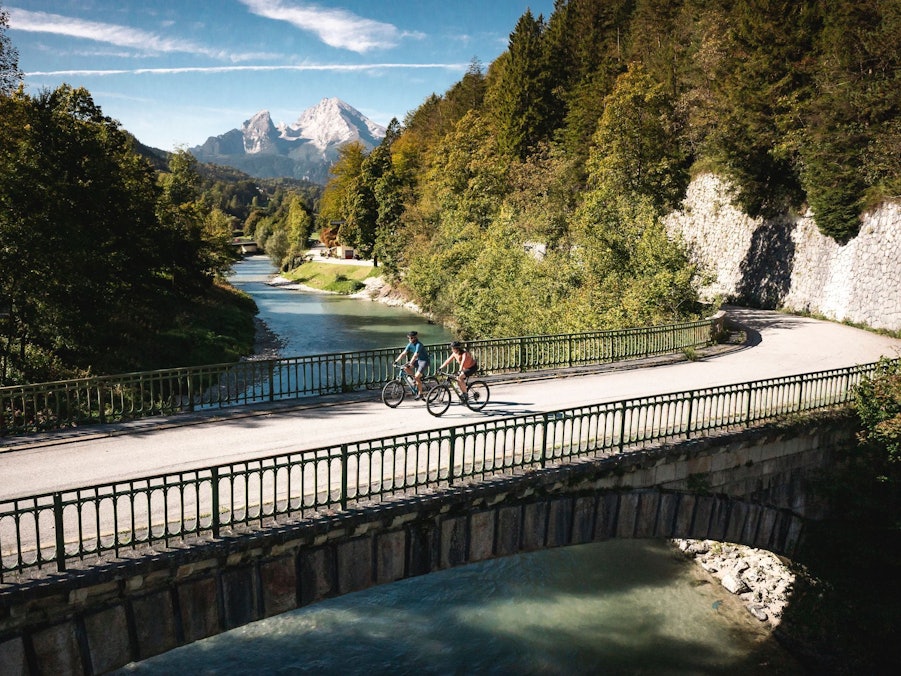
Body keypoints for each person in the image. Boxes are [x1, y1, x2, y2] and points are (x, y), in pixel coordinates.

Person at [394, 330, 430, 399]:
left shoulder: (419, 345)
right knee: (405, 368)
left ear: (415, 338)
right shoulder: (410, 344)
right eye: (408, 338)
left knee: (417, 377)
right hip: (418, 361)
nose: (410, 339)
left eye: (411, 338)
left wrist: (410, 363)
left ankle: (420, 394)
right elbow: (403, 353)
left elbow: (415, 355)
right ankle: (415, 380)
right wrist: (396, 361)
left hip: (424, 361)